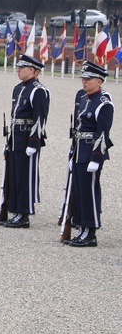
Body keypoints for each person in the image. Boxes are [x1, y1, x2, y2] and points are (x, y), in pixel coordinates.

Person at [64, 61, 114, 247]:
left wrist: (96, 157)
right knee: (79, 191)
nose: (84, 81)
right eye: (83, 78)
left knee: (90, 192)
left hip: (91, 152)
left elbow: (102, 133)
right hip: (79, 151)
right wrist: (72, 153)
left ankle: (90, 231)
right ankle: (82, 228)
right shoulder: (85, 100)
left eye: (88, 79)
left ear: (99, 81)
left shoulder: (104, 104)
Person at [0, 54, 49, 228]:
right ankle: (16, 210)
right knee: (14, 175)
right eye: (18, 67)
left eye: (23, 68)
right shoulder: (18, 88)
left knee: (25, 176)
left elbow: (40, 119)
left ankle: (24, 213)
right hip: (16, 137)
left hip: (28, 137)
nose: (18, 70)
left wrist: (34, 142)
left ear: (34, 71)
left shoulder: (38, 90)